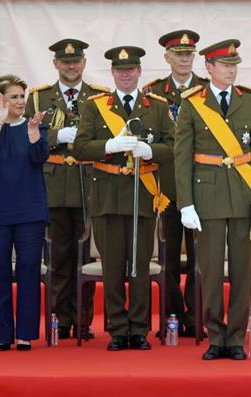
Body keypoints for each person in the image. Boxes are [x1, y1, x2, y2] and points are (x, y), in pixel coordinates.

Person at [174, 39, 251, 360]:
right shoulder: (193, 102)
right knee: (211, 271)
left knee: (243, 271)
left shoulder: (250, 101)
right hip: (208, 195)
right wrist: (185, 203)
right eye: (225, 65)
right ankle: (216, 335)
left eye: (235, 65)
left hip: (244, 195)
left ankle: (236, 337)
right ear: (210, 68)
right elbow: (182, 158)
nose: (232, 71)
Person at [72, 46, 174, 351]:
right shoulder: (95, 105)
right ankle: (118, 328)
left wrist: (150, 152)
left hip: (142, 196)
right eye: (120, 70)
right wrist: (110, 145)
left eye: (131, 69)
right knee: (113, 267)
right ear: (113, 73)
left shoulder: (156, 105)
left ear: (140, 72)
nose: (125, 74)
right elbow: (79, 148)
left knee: (140, 266)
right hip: (107, 195)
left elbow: (172, 146)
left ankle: (139, 329)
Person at [25, 38, 109, 341]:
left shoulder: (100, 97)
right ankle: (59, 319)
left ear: (84, 64)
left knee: (86, 258)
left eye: (76, 62)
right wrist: (58, 135)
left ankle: (83, 322)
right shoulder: (38, 98)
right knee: (59, 258)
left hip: (89, 182)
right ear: (55, 64)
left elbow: (107, 135)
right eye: (65, 62)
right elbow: (28, 135)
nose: (71, 66)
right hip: (55, 183)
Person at [0, 74, 49, 351]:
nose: (20, 101)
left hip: (29, 212)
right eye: (14, 97)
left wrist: (32, 134)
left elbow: (39, 157)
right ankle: (2, 334)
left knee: (29, 270)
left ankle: (25, 333)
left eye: (22, 96)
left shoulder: (36, 128)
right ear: (0, 100)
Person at [142, 29, 208, 338]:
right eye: (178, 54)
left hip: (202, 183)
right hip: (166, 185)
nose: (184, 59)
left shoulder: (207, 89)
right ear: (167, 57)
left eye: (188, 54)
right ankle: (172, 314)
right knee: (168, 254)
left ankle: (196, 317)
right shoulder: (153, 93)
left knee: (200, 257)